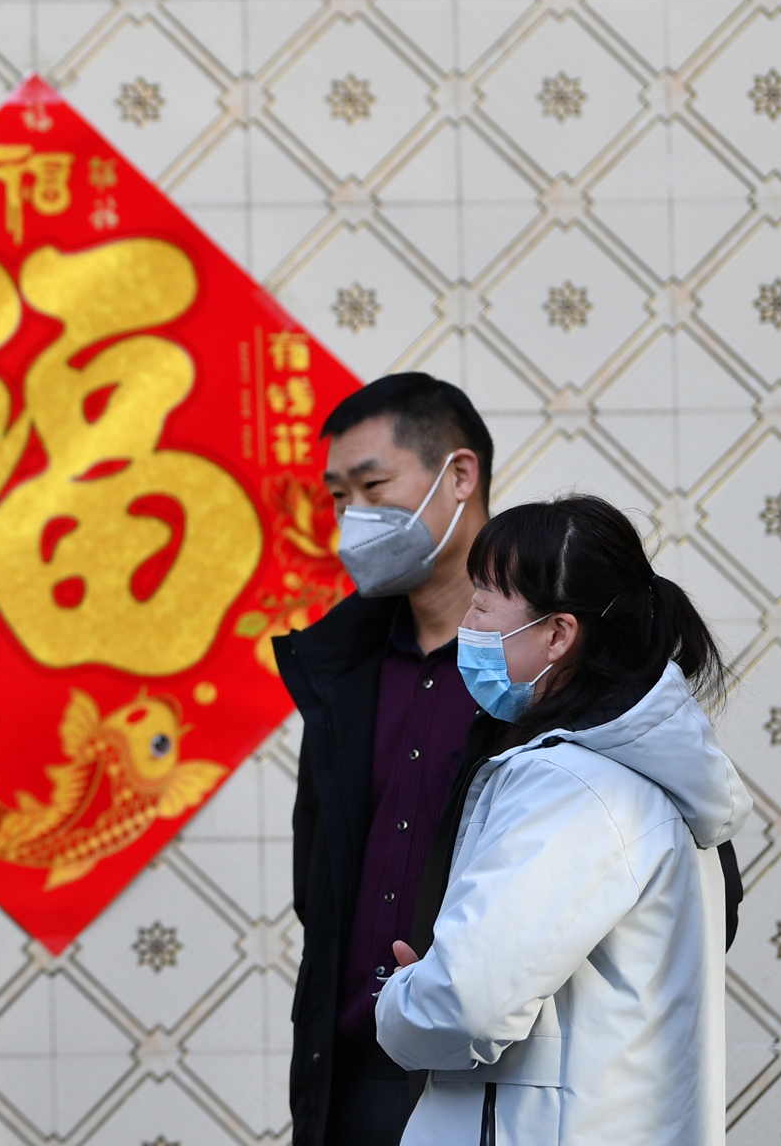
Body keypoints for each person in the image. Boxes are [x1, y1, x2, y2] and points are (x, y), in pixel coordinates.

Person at [375, 495, 748, 1143]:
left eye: (484, 604)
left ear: (558, 634)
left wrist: (403, 996)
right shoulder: (638, 777)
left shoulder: (571, 785)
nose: (468, 623)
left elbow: (465, 1006)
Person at [274, 373, 499, 1146]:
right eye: (339, 497)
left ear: (459, 476)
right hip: (353, 1081)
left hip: (498, 1084)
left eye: (373, 485)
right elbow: (321, 880)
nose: (353, 518)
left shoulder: (555, 665)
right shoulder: (342, 667)